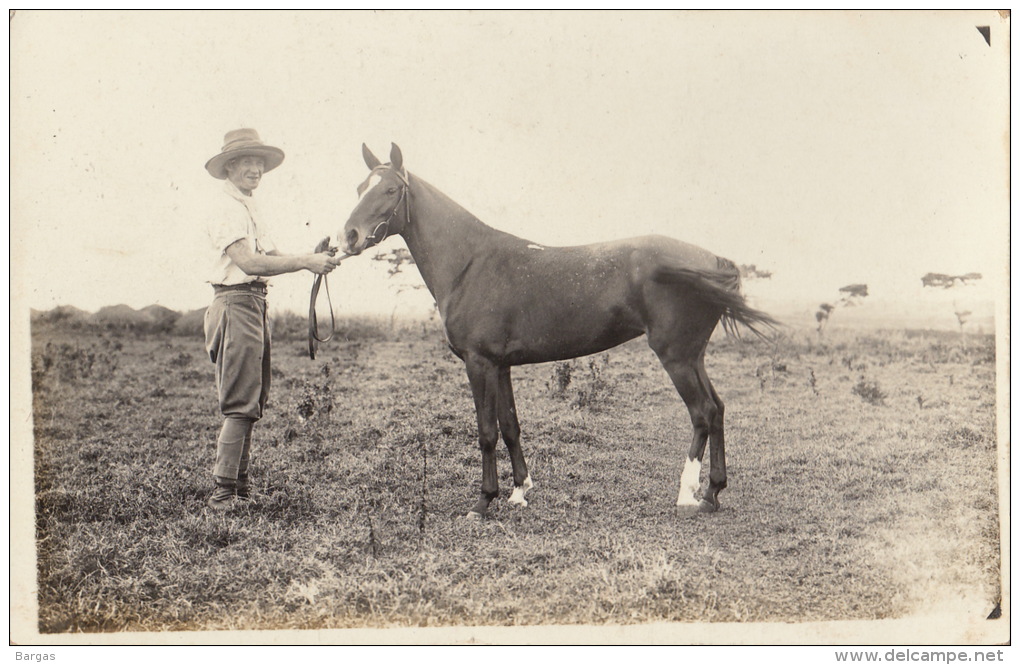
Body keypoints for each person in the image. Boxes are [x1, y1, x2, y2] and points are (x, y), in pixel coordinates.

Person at [202, 128, 339, 511]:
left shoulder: (248, 205)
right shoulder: (225, 207)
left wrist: (313, 258)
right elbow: (249, 263)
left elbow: (272, 253)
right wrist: (304, 263)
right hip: (235, 303)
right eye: (247, 161)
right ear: (229, 166)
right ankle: (223, 493)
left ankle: (240, 487)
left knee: (253, 400)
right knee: (240, 401)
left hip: (254, 304)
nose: (255, 169)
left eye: (259, 162)